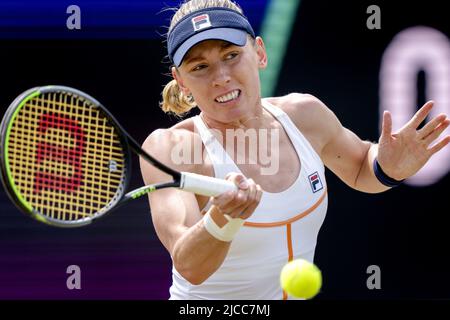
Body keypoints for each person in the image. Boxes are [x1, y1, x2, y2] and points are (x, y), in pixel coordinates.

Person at [139, 0, 450, 300]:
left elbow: (361, 169)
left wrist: (387, 166)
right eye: (200, 66)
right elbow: (189, 266)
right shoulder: (171, 148)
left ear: (259, 53)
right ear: (181, 81)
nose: (221, 77)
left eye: (231, 55)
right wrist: (224, 218)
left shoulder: (305, 114)